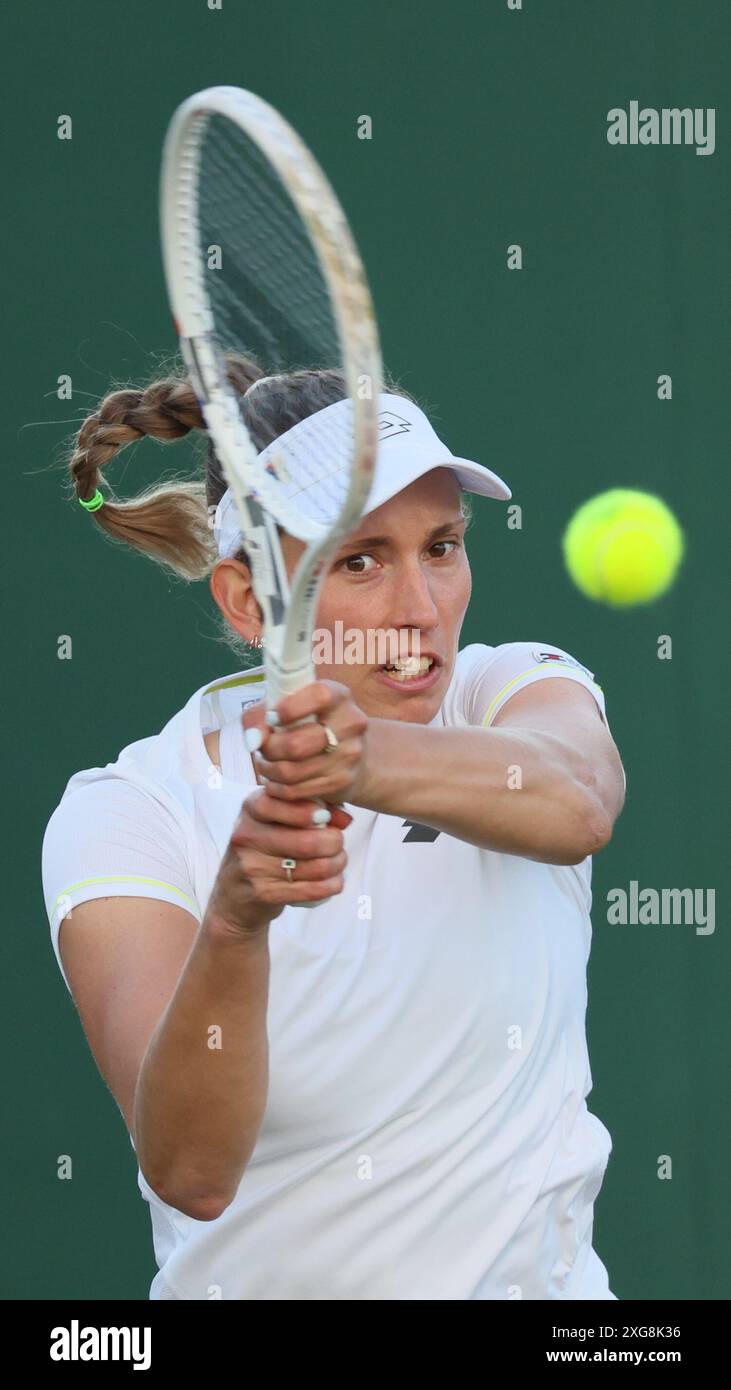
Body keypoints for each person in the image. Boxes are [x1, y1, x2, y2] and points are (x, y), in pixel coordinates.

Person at [42, 356, 626, 1301]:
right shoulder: (130, 810)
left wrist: (357, 762)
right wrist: (235, 925)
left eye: (441, 546)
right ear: (245, 601)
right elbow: (189, 1170)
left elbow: (578, 801)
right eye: (358, 560)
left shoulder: (508, 688)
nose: (420, 609)